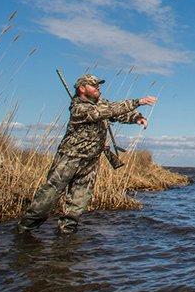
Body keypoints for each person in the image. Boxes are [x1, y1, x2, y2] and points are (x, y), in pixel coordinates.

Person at [16, 74, 156, 235]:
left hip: (91, 161)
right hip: (69, 158)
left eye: (98, 85)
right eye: (94, 85)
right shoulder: (79, 107)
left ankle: (66, 236)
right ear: (82, 88)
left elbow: (116, 113)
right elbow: (105, 111)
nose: (98, 88)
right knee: (48, 197)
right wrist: (137, 102)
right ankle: (25, 229)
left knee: (79, 202)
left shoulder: (101, 103)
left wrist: (136, 117)